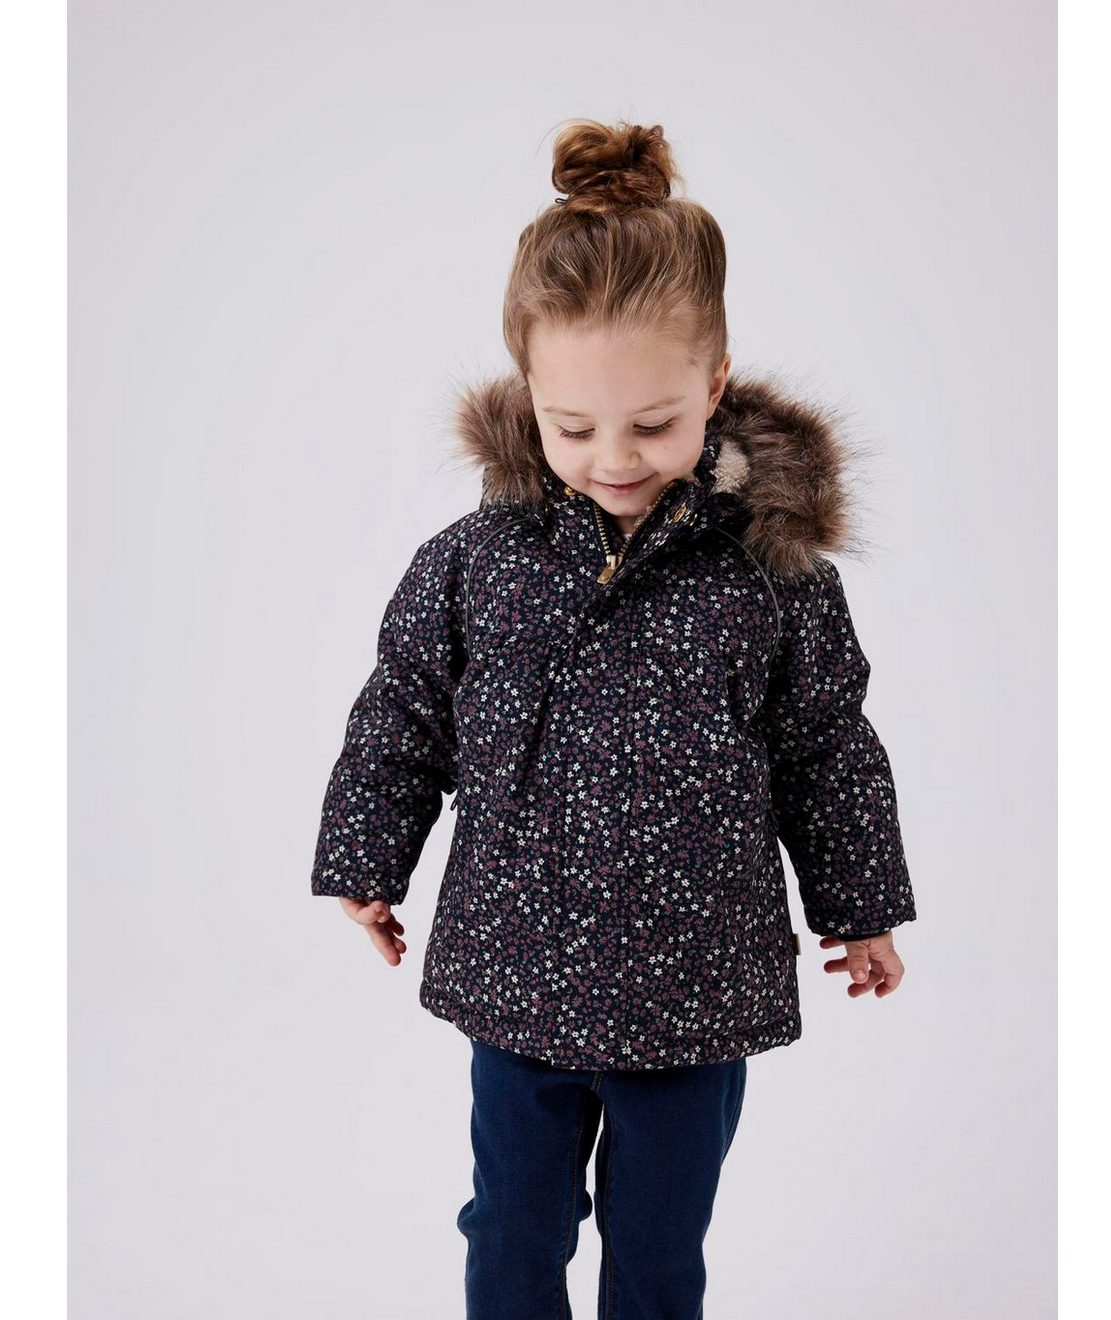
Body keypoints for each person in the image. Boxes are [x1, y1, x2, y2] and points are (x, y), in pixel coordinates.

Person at [309, 117, 918, 1320]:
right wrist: (366, 860)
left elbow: (826, 746)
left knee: (658, 1242)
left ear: (715, 384)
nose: (614, 459)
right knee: (513, 1224)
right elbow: (402, 714)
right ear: (529, 397)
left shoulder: (773, 576)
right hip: (519, 973)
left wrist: (860, 906)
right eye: (574, 428)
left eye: (654, 423)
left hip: (696, 987)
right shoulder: (475, 561)